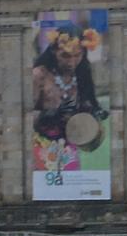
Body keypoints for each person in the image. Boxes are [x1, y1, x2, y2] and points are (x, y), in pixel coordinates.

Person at [32, 22, 106, 170]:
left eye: (77, 55)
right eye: (65, 56)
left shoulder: (83, 74)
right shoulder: (39, 75)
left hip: (69, 149)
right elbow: (22, 116)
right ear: (54, 51)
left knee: (73, 183)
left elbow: (86, 105)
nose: (72, 62)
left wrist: (94, 113)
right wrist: (47, 115)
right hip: (42, 146)